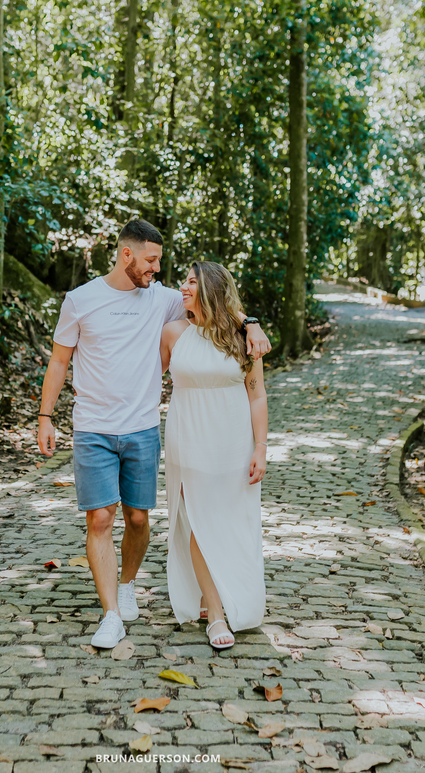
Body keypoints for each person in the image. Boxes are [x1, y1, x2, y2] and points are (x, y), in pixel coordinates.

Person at [36, 220, 270, 649]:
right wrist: (45, 415)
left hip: (143, 427)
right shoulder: (80, 300)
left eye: (160, 262)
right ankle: (111, 614)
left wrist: (250, 322)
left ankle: (127, 584)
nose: (157, 270)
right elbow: (58, 362)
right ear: (127, 255)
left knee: (138, 519)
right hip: (93, 426)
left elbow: (216, 304)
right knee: (101, 517)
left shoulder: (163, 300)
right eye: (150, 260)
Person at [160, 261, 268, 649]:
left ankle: (215, 593)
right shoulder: (173, 333)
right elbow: (148, 380)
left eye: (192, 282)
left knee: (232, 521)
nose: (183, 288)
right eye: (184, 281)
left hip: (234, 439)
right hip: (187, 438)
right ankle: (217, 615)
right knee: (198, 521)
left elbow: (256, 395)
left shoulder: (243, 338)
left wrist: (260, 447)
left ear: (210, 290)